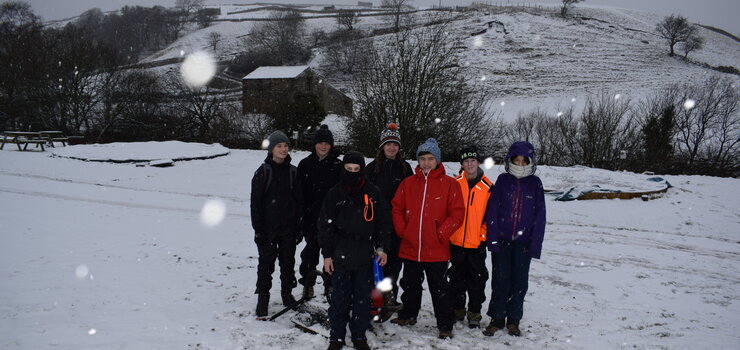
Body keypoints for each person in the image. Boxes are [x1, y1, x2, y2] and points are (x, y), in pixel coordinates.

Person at [389, 138, 465, 339]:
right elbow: (396, 208)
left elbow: (457, 214)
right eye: (422, 159)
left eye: (430, 158)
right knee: (410, 284)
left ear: (437, 160)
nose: (426, 163)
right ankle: (408, 315)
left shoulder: (449, 184)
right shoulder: (408, 183)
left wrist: (441, 233)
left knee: (439, 289)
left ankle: (444, 324)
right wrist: (403, 231)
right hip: (411, 246)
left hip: (437, 249)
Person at [318, 151, 392, 350]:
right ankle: (337, 337)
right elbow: (325, 226)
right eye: (348, 169)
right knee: (340, 298)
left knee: (362, 297)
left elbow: (383, 223)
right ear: (343, 169)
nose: (352, 173)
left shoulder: (373, 193)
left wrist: (382, 248)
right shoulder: (335, 193)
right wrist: (326, 255)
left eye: (356, 169)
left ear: (361, 170)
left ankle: (359, 335)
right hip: (340, 252)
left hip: (364, 253)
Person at [482, 141, 546, 337]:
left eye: (523, 161)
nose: (519, 164)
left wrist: (534, 244)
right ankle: (497, 318)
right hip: (502, 240)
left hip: (523, 243)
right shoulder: (503, 180)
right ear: (510, 161)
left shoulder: (535, 183)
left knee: (519, 282)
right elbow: (492, 210)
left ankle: (514, 320)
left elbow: (540, 216)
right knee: (500, 280)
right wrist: (492, 239)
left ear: (529, 162)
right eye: (516, 160)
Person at [250, 130, 302, 317]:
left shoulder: (293, 172)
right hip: (267, 229)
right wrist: (259, 230)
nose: (283, 149)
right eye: (279, 146)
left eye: (286, 146)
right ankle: (263, 297)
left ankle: (287, 294)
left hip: (288, 228)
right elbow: (255, 204)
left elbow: (298, 202)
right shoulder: (263, 172)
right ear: (272, 149)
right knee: (266, 265)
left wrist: (298, 228)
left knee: (288, 263)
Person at [363, 123, 413, 313]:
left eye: (395, 144)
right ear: (382, 146)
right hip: (375, 223)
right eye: (388, 144)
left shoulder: (405, 168)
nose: (391, 148)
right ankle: (373, 298)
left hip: (397, 224)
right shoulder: (371, 169)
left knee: (393, 263)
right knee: (374, 262)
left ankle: (390, 295)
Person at [449, 145, 493, 329]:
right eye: (466, 161)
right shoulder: (454, 183)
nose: (470, 164)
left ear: (478, 162)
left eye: (473, 160)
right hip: (456, 242)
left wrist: (483, 235)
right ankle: (458, 309)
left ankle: (474, 311)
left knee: (477, 279)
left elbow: (491, 216)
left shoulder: (488, 186)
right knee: (457, 278)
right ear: (462, 164)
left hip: (476, 243)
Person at [297, 124, 342, 299]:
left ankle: (330, 285)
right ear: (315, 144)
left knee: (331, 255)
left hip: (332, 220)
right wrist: (302, 216)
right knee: (309, 254)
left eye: (327, 143)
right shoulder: (305, 164)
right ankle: (308, 285)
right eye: (320, 143)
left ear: (331, 145)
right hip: (311, 218)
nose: (323, 146)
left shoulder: (338, 165)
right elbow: (299, 193)